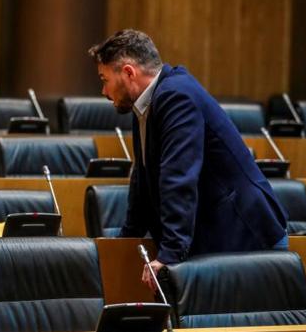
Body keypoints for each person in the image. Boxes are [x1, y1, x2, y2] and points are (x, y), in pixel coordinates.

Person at [88, 29, 287, 291]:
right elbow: (144, 181)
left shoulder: (176, 96)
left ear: (128, 73)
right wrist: (127, 240)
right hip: (221, 238)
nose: (103, 90)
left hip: (246, 237)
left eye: (105, 79)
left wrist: (170, 253)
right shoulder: (147, 104)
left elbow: (178, 177)